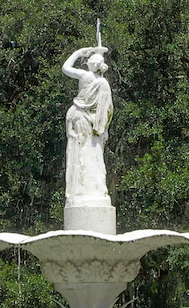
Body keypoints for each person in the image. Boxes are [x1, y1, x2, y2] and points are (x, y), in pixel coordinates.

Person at [62, 45, 112, 207]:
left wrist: (77, 52)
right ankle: (94, 188)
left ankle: (82, 189)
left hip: (79, 116)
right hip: (95, 122)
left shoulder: (84, 76)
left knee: (80, 152)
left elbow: (65, 68)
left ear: (90, 64)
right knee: (94, 154)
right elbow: (109, 109)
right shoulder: (103, 83)